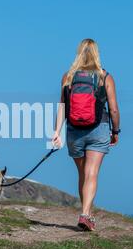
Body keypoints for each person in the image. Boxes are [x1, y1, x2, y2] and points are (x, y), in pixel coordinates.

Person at [52, 38, 121, 231]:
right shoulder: (104, 77)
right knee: (92, 173)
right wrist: (115, 131)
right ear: (96, 53)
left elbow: (62, 106)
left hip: (74, 131)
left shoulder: (68, 76)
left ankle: (87, 214)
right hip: (99, 129)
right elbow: (114, 109)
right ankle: (85, 214)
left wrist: (57, 132)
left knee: (82, 173)